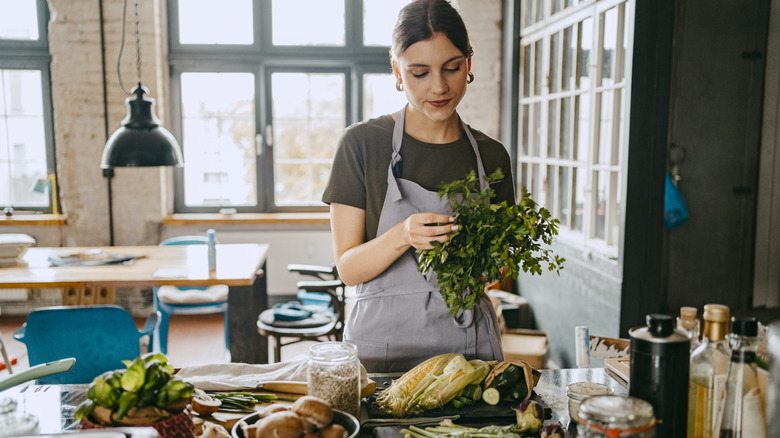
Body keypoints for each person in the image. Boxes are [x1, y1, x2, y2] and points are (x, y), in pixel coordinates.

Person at [321, 0, 515, 373]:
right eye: (420, 72)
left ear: (469, 65)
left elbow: (497, 267)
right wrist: (403, 235)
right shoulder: (362, 144)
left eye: (452, 68)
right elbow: (348, 269)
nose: (439, 86)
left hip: (468, 351)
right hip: (382, 352)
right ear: (397, 71)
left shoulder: (491, 156)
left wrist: (487, 265)